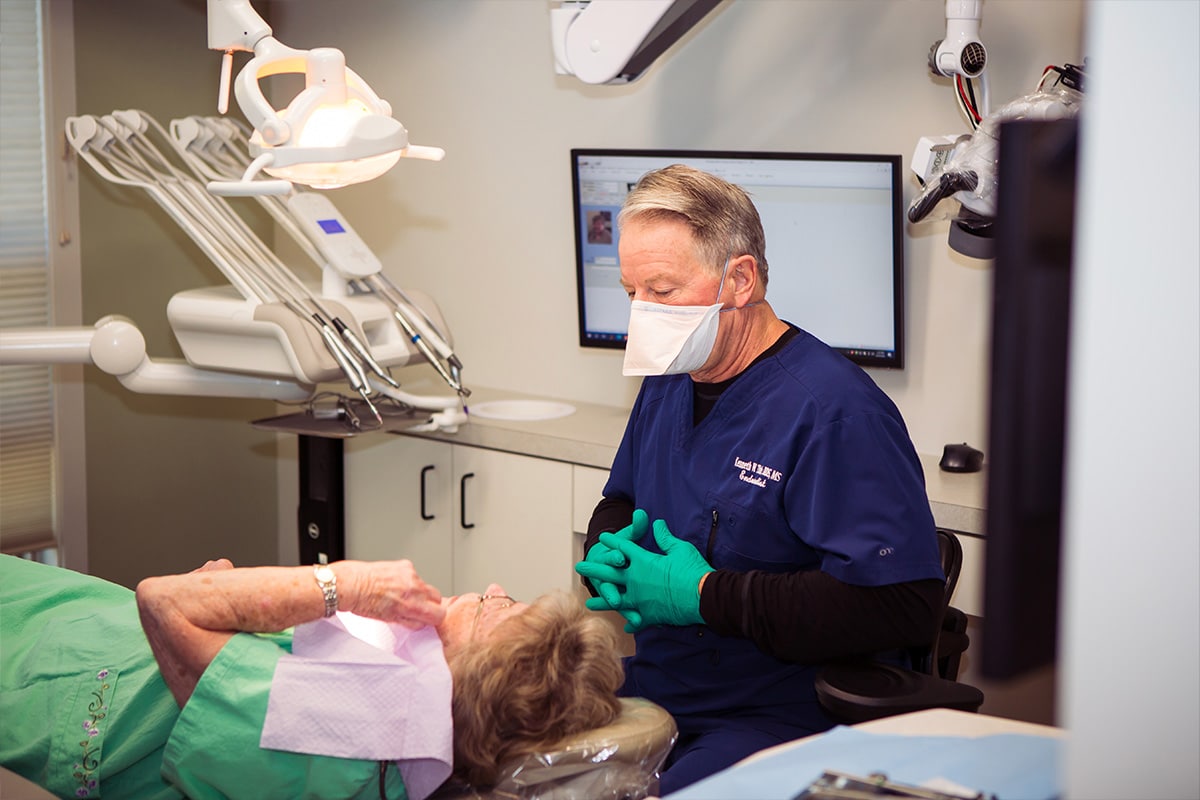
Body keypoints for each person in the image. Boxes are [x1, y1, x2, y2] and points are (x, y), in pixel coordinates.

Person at [574, 164, 945, 793]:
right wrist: (610, 552)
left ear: (739, 280)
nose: (642, 315)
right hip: (662, 686)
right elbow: (624, 497)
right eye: (631, 290)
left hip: (775, 711)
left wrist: (705, 595)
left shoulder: (832, 412)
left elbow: (902, 608)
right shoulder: (672, 378)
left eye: (662, 291)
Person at [0, 554, 623, 799]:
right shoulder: (403, 709)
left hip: (55, 677)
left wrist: (348, 583)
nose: (490, 589)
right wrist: (231, 596)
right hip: (86, 629)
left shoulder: (365, 727)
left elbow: (163, 603)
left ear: (487, 668)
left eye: (501, 606)